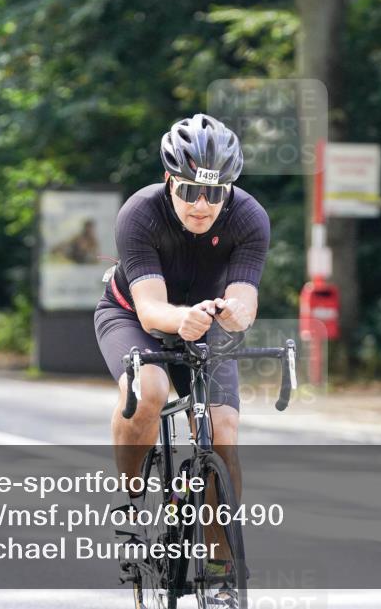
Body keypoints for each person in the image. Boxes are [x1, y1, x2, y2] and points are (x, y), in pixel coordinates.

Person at [94, 113, 269, 606]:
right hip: (132, 314)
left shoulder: (249, 217)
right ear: (169, 180)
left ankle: (219, 568)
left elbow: (245, 298)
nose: (201, 204)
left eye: (214, 193)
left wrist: (237, 314)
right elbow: (151, 309)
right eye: (190, 190)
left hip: (205, 321)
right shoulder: (141, 213)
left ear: (229, 190)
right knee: (147, 391)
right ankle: (131, 505)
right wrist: (181, 319)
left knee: (222, 430)